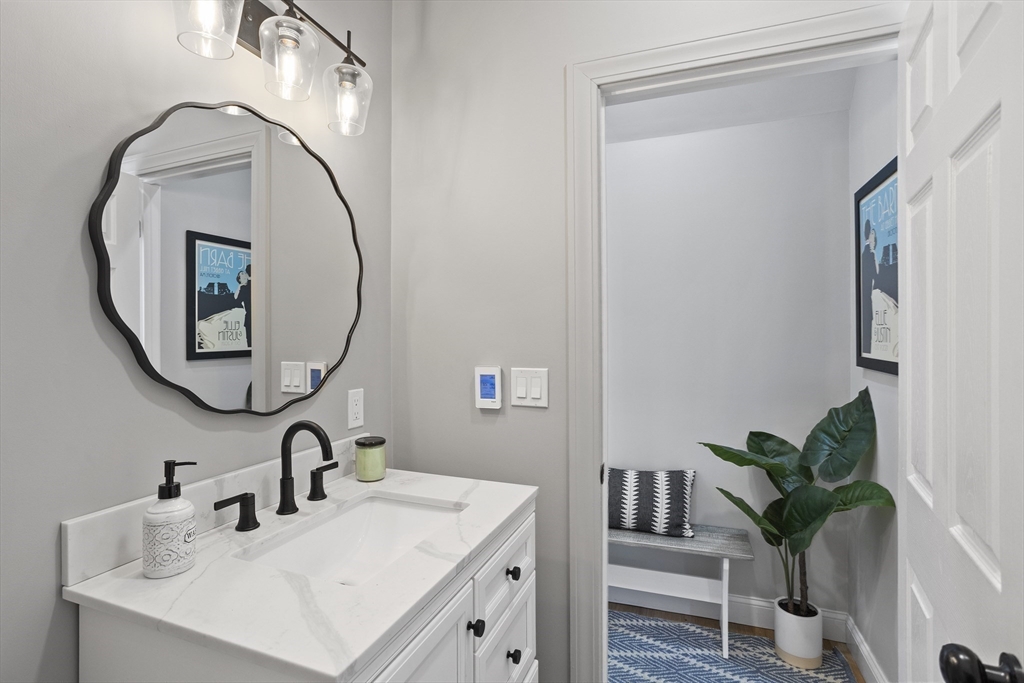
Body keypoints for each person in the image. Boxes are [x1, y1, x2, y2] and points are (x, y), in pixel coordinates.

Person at [860, 220, 877, 354]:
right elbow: (875, 276)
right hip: (868, 302)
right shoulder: (869, 255)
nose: (875, 238)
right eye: (873, 234)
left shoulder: (864, 255)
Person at [234, 264, 252, 348]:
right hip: (249, 319)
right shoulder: (244, 288)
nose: (244, 274)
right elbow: (236, 300)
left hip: (249, 319)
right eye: (241, 274)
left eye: (244, 273)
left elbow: (236, 300)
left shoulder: (245, 288)